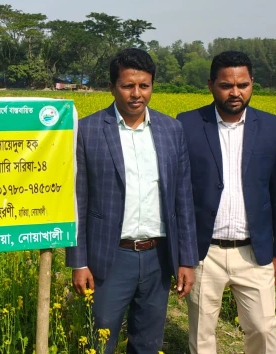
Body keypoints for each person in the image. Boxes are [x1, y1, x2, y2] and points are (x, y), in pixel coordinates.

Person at [66, 48, 198, 354]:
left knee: (147, 343)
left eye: (144, 86)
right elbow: (78, 200)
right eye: (128, 86)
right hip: (110, 257)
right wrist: (79, 262)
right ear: (112, 87)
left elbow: (183, 199)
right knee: (100, 341)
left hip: (158, 256)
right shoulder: (87, 130)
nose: (137, 94)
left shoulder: (171, 129)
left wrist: (187, 260)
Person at [177, 51, 276, 354]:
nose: (235, 92)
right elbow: (179, 192)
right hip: (205, 253)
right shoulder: (188, 124)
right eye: (226, 85)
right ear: (211, 85)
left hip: (254, 252)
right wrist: (182, 253)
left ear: (252, 83)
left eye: (243, 85)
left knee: (263, 329)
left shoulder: (272, 126)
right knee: (202, 334)